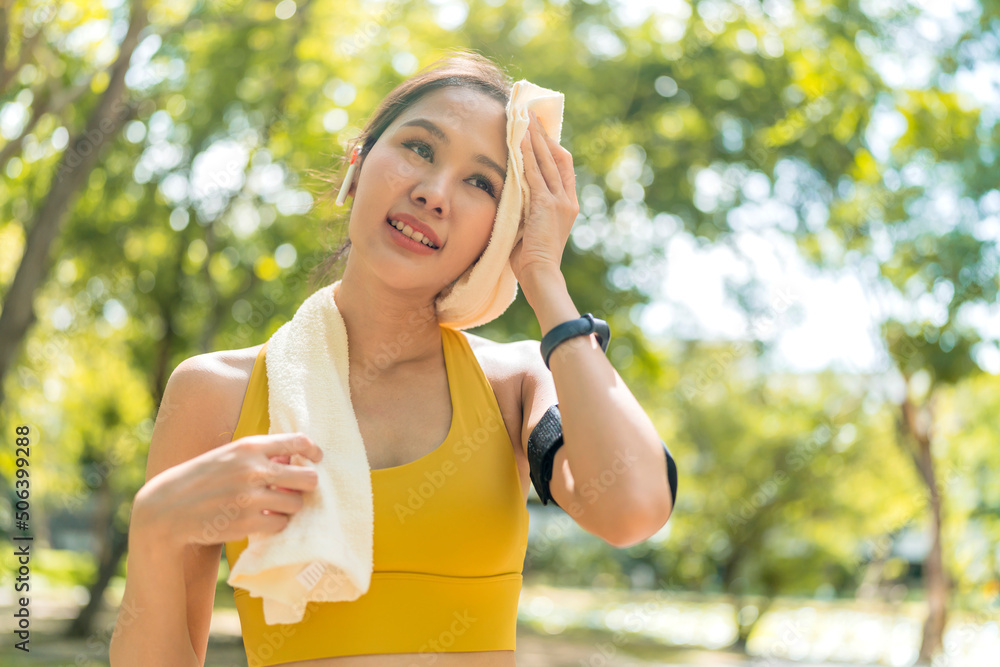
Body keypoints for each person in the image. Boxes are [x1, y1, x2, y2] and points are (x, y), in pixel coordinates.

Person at [110, 49, 674, 667]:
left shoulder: (516, 383)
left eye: (481, 182)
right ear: (358, 164)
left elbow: (634, 508)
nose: (434, 193)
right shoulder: (216, 394)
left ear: (503, 226)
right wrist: (156, 529)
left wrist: (541, 273)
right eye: (420, 149)